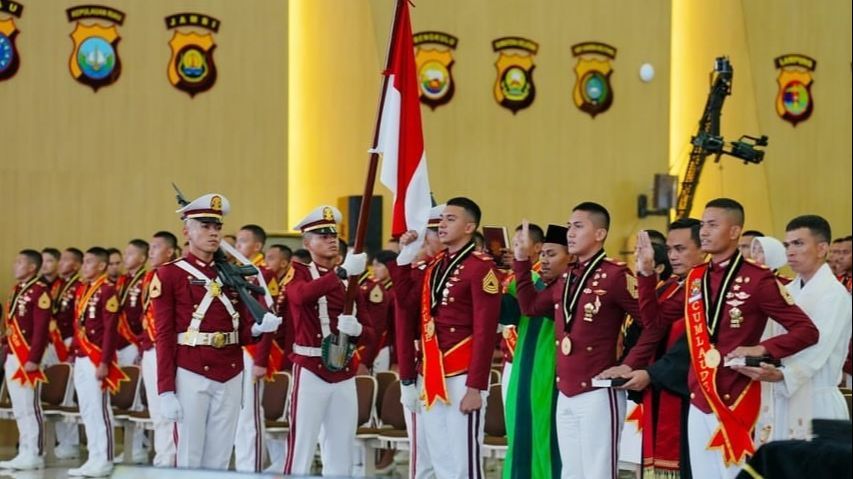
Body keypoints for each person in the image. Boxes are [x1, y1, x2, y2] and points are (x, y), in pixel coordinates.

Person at [680, 198, 818, 478]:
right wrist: (645, 274)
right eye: (702, 225)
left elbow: (806, 331)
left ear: (734, 232)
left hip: (736, 396)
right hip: (699, 395)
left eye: (713, 225)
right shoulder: (695, 277)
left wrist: (761, 348)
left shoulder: (757, 280)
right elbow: (656, 318)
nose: (703, 232)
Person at [514, 202, 653, 479]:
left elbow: (651, 323)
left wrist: (630, 364)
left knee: (597, 472)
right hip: (565, 390)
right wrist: (520, 262)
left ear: (599, 234)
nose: (570, 233)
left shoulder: (615, 275)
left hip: (598, 391)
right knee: (572, 473)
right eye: (569, 226)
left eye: (578, 226)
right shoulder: (568, 276)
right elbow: (530, 307)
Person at [152, 193, 281, 470]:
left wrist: (258, 328)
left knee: (220, 458)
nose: (213, 233)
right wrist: (165, 389)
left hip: (231, 369)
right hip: (191, 369)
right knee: (189, 456)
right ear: (186, 231)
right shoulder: (170, 274)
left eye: (217, 227)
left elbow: (242, 331)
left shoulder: (232, 273)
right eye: (205, 226)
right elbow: (163, 335)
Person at [395, 197, 501, 479]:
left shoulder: (481, 268)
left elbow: (486, 330)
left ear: (469, 226)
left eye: (450, 219)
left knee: (463, 461)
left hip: (462, 373)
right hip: (432, 372)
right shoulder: (436, 265)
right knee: (440, 455)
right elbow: (405, 302)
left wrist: (476, 386)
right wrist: (405, 256)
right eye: (441, 219)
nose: (442, 224)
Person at [744, 215, 852, 443]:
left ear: (822, 248)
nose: (790, 251)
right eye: (787, 245)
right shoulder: (787, 290)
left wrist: (783, 374)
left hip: (815, 398)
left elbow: (819, 346)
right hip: (779, 396)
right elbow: (770, 335)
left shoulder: (834, 294)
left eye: (798, 243)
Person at [283, 205, 372, 476]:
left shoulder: (351, 282)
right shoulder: (298, 271)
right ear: (307, 243)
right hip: (310, 367)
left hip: (343, 370)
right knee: (302, 446)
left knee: (341, 447)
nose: (331, 239)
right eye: (322, 236)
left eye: (333, 235)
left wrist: (357, 329)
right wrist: (341, 273)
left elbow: (371, 331)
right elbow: (300, 297)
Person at [620, 218, 707, 478]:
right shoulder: (673, 286)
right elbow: (652, 324)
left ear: (703, 248)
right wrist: (646, 274)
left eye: (680, 249)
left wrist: (653, 373)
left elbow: (690, 346)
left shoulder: (707, 286)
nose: (673, 256)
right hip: (661, 383)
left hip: (691, 390)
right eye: (669, 250)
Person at [503, 224, 570, 479]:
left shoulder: (567, 287)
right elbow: (508, 311)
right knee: (520, 434)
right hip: (523, 369)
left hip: (552, 370)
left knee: (548, 438)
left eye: (551, 254)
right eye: (543, 255)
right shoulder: (529, 284)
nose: (544, 260)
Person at [386, 203, 445, 479]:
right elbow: (404, 320)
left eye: (429, 232)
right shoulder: (420, 271)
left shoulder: (463, 269)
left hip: (453, 368)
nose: (430, 238)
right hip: (424, 369)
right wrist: (407, 378)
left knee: (451, 454)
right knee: (423, 459)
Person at [68, 247, 126, 477]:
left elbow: (111, 329)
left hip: (97, 358)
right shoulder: (83, 289)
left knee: (100, 409)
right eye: (84, 261)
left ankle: (105, 459)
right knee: (87, 409)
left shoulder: (107, 290)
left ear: (101, 266)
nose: (84, 265)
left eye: (89, 261)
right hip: (82, 356)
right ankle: (93, 457)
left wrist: (104, 361)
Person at [0, 250, 51, 471]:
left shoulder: (40, 291)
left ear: (32, 267)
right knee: (19, 407)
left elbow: (41, 329)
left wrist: (34, 357)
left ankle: (35, 453)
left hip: (28, 357)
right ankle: (24, 451)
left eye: (20, 262)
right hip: (13, 354)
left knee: (30, 406)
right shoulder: (17, 290)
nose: (15, 265)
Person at [233, 224, 277, 473]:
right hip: (239, 347)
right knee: (239, 412)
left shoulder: (263, 275)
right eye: (237, 241)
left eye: (242, 241)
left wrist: (261, 359)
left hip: (254, 350)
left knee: (250, 411)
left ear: (257, 246)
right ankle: (242, 465)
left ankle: (251, 468)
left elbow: (269, 320)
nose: (237, 246)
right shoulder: (240, 272)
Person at [136, 231, 178, 467]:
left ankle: (173, 458)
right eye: (149, 247)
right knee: (155, 407)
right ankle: (163, 457)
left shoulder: (173, 274)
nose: (150, 252)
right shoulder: (149, 276)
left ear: (170, 251)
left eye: (156, 247)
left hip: (168, 348)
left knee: (169, 405)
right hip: (150, 347)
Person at [499, 223, 544, 407]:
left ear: (538, 247)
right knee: (511, 416)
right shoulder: (511, 275)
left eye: (522, 242)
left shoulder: (543, 275)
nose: (516, 247)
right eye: (515, 243)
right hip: (509, 356)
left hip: (532, 357)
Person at [113, 239, 150, 463]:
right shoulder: (121, 282)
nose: (125, 258)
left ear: (142, 258)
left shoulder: (145, 280)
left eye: (130, 254)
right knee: (122, 397)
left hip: (134, 343)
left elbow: (146, 314)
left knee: (136, 397)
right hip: (118, 345)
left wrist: (140, 345)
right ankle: (130, 445)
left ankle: (138, 448)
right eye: (124, 254)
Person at [50, 247, 84, 458]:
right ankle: (62, 440)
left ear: (77, 264)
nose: (60, 263)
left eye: (65, 260)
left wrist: (73, 346)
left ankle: (71, 442)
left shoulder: (79, 286)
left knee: (68, 394)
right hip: (55, 341)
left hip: (71, 341)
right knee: (56, 392)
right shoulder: (57, 286)